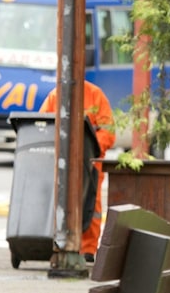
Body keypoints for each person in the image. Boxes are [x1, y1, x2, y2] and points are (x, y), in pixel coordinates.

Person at [38, 81, 116, 262]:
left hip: (89, 162)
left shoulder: (95, 94)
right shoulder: (56, 96)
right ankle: (57, 242)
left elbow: (108, 132)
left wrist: (88, 146)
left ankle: (88, 249)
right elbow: (43, 126)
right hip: (61, 160)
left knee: (90, 203)